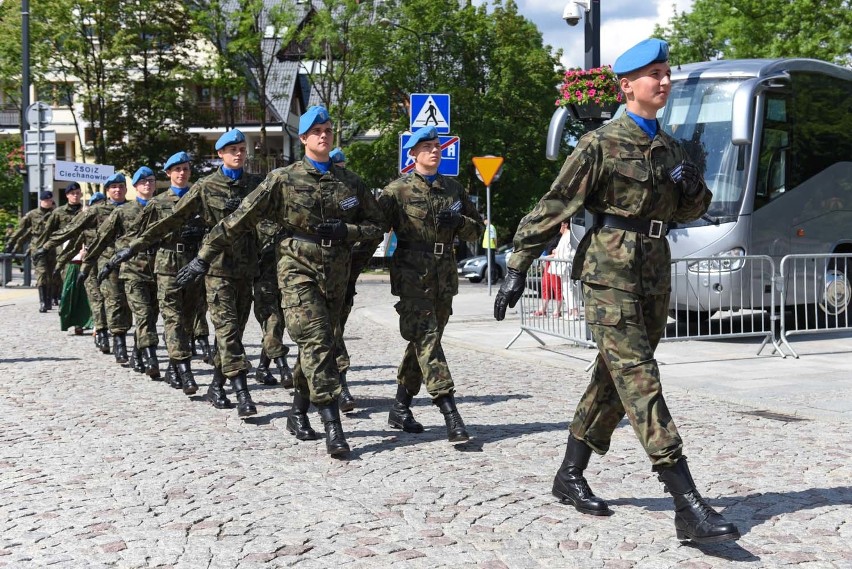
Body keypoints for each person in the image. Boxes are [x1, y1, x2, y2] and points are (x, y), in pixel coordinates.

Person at [493, 38, 740, 545]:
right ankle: (686, 502)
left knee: (614, 377)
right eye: (655, 74)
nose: (665, 80)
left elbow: (691, 211)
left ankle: (569, 473)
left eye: (667, 72)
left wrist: (692, 186)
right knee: (639, 376)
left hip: (654, 271)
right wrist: (519, 262)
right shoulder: (600, 143)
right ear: (628, 86)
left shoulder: (671, 147)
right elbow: (557, 202)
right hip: (609, 271)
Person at [175, 106, 386, 455]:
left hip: (335, 275)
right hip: (296, 271)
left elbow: (377, 226)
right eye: (316, 130)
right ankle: (333, 426)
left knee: (319, 346)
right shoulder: (282, 179)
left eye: (328, 129)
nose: (323, 135)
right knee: (317, 342)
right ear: (303, 138)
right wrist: (202, 258)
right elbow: (238, 220)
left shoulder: (351, 182)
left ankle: (297, 412)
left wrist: (347, 230)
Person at [110, 132, 264, 418]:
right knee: (226, 330)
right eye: (232, 149)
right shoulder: (206, 187)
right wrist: (132, 248)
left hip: (246, 269)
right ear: (220, 154)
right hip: (215, 269)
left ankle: (217, 385)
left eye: (242, 149)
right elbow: (172, 219)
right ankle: (242, 392)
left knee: (234, 334)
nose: (239, 154)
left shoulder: (256, 185)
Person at [378, 125, 485, 443]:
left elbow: (478, 230)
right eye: (426, 146)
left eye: (437, 146)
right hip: (412, 276)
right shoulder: (395, 192)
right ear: (413, 154)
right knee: (428, 342)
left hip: (444, 276)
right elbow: (372, 230)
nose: (434, 150)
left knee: (424, 343)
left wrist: (462, 223)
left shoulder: (453, 190)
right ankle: (450, 412)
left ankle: (399, 407)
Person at [37, 178, 133, 357]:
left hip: (131, 263)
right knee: (102, 299)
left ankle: (124, 335)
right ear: (107, 190)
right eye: (113, 187)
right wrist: (47, 247)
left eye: (121, 186)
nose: (118, 190)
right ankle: (108, 335)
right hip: (99, 263)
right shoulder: (96, 211)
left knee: (126, 302)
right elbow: (72, 233)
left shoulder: (134, 208)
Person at [90, 167, 161, 377]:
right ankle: (125, 345)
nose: (147, 184)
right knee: (122, 305)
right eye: (143, 181)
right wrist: (88, 264)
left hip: (154, 268)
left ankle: (138, 352)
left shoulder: (162, 207)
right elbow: (98, 238)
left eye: (151, 180)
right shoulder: (116, 211)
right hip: (122, 266)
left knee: (150, 314)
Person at [45, 183, 87, 333]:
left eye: (77, 192)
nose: (75, 195)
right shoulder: (58, 213)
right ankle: (68, 315)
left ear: (81, 194)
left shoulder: (87, 210)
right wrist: (44, 249)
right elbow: (48, 232)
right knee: (69, 286)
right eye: (72, 193)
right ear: (67, 195)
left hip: (85, 254)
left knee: (83, 287)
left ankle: (80, 322)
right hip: (66, 255)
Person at [5, 190, 56, 313]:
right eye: (45, 200)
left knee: (51, 275)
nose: (48, 202)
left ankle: (49, 300)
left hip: (51, 247)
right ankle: (43, 302)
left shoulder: (55, 214)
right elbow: (21, 230)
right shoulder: (32, 215)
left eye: (49, 200)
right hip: (37, 247)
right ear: (41, 201)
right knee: (42, 274)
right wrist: (11, 243)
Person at [534, 234, 563, 317]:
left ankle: (557, 310)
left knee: (556, 286)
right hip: (547, 262)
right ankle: (543, 309)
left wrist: (546, 257)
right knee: (545, 285)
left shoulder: (560, 237)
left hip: (555, 262)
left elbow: (559, 252)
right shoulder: (549, 236)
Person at [482, 217, 498, 283]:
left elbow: (493, 238)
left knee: (491, 264)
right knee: (490, 264)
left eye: (484, 220)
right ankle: (490, 279)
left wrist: (496, 246)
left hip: (490, 247)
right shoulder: (488, 228)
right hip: (488, 247)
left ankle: (492, 279)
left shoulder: (490, 227)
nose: (484, 222)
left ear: (487, 220)